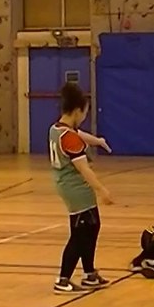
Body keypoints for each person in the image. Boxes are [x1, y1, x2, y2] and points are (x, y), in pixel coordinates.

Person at [49, 82, 114, 293]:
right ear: (77, 111)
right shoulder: (69, 138)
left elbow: (79, 135)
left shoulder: (58, 129)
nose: (84, 117)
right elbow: (84, 169)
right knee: (79, 234)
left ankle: (89, 274)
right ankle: (63, 279)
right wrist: (101, 189)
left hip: (70, 187)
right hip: (75, 189)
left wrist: (98, 141)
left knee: (93, 226)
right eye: (84, 113)